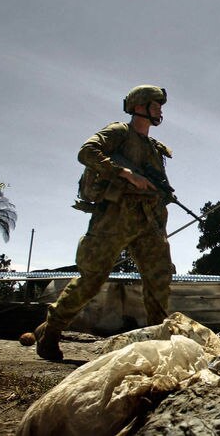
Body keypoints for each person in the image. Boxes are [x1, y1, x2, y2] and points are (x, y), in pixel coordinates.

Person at [34, 85, 177, 361]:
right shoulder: (119, 132)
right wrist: (125, 173)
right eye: (155, 104)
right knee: (92, 278)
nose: (160, 109)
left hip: (147, 220)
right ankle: (51, 329)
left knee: (159, 278)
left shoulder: (154, 148)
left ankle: (159, 345)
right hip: (114, 217)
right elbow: (87, 152)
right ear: (139, 106)